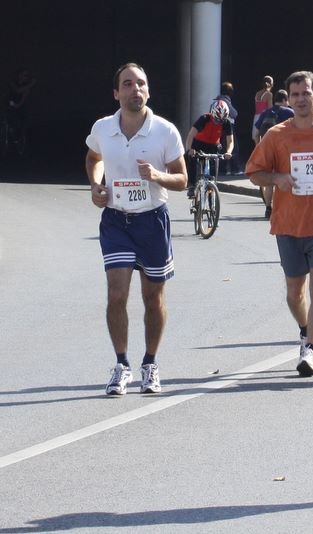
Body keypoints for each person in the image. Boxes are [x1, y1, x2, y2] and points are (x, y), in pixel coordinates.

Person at [85, 63, 188, 395]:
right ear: (116, 93)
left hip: (152, 220)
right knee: (116, 294)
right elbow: (93, 157)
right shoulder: (102, 127)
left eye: (140, 83)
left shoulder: (165, 131)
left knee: (152, 296)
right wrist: (96, 184)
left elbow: (183, 179)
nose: (135, 89)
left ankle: (150, 363)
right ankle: (121, 364)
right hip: (116, 220)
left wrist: (158, 176)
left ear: (148, 90)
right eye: (127, 84)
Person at [246, 70, 313, 377]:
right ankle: (306, 329)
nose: (300, 99)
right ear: (289, 98)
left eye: (306, 93)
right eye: (294, 94)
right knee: (295, 293)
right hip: (288, 223)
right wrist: (277, 178)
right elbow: (254, 172)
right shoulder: (276, 135)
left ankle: (311, 349)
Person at [254, 89, 295, 220]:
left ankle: (268, 207)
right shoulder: (290, 112)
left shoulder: (266, 112)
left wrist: (259, 146)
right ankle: (285, 207)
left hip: (268, 151)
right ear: (284, 100)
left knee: (270, 181)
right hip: (285, 151)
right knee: (286, 178)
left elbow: (255, 133)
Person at [184, 99, 233, 196]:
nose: (218, 123)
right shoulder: (204, 118)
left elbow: (230, 141)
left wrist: (229, 152)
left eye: (220, 121)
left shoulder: (227, 123)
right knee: (192, 159)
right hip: (198, 144)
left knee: (214, 166)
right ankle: (192, 185)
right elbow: (190, 135)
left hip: (213, 145)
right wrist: (190, 149)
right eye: (216, 120)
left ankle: (212, 185)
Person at [215, 81, 241, 174]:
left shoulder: (217, 100)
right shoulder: (225, 100)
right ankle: (235, 169)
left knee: (221, 148)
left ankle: (222, 170)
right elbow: (234, 113)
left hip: (218, 127)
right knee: (233, 147)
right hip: (228, 125)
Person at [7, 68, 36, 143]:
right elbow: (17, 90)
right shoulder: (12, 82)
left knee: (23, 120)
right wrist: (31, 84)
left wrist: (17, 105)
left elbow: (23, 98)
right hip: (9, 103)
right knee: (11, 118)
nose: (25, 77)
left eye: (26, 75)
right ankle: (10, 135)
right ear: (19, 75)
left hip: (20, 105)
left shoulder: (26, 86)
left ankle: (20, 138)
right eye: (24, 74)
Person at [252, 75, 273, 144]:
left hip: (256, 117)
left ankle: (258, 152)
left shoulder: (257, 93)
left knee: (256, 137)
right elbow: (270, 108)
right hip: (265, 117)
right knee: (265, 137)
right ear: (271, 84)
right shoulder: (269, 94)